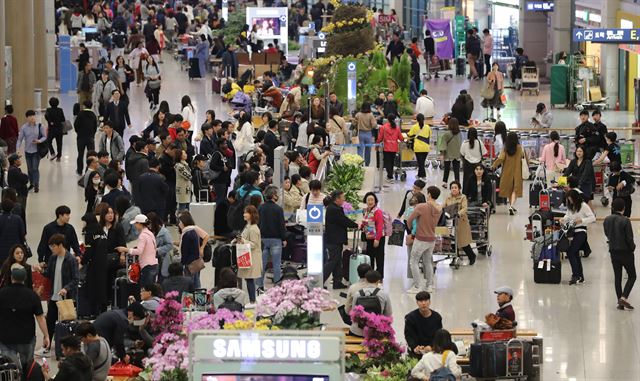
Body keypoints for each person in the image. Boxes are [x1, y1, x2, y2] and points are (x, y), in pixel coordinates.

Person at [0, 263, 49, 368]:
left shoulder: (2, 293)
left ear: (12, 277)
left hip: (6, 337)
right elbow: (40, 318)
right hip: (27, 338)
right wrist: (46, 335)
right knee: (27, 367)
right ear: (25, 278)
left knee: (9, 368)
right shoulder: (32, 295)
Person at [40, 234, 79, 356]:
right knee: (49, 323)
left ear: (60, 245)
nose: (52, 249)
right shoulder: (53, 258)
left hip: (66, 299)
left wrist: (65, 289)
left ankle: (66, 349)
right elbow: (49, 274)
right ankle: (47, 346)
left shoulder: (71, 259)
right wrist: (40, 270)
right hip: (54, 297)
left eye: (53, 246)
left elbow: (76, 279)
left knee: (66, 325)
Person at [85, 204, 125, 316]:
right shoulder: (99, 228)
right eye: (108, 213)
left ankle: (106, 301)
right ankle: (99, 302)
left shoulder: (118, 227)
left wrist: (122, 254)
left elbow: (122, 243)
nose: (110, 215)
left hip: (113, 257)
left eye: (112, 213)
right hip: (101, 258)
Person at [407, 186, 442, 293]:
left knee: (413, 261)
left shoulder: (421, 206)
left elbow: (410, 220)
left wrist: (411, 230)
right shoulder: (439, 208)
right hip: (431, 238)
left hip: (421, 238)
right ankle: (429, 285)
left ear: (429, 194)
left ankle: (417, 286)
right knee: (428, 262)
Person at [604, 198, 636, 310]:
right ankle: (624, 297)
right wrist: (633, 247)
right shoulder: (625, 221)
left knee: (618, 277)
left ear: (612, 207)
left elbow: (607, 234)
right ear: (624, 208)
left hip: (613, 251)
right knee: (632, 276)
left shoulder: (606, 220)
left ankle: (620, 302)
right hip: (626, 251)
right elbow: (629, 238)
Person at [324, 190, 358, 289]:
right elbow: (344, 220)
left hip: (334, 239)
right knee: (333, 261)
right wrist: (356, 225)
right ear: (337, 199)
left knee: (338, 261)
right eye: (342, 197)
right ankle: (320, 281)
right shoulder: (335, 209)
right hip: (334, 240)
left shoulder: (333, 207)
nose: (344, 199)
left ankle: (337, 282)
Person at [561, 190, 595, 284]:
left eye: (570, 199)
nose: (570, 201)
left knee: (571, 251)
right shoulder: (570, 206)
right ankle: (580, 277)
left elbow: (593, 217)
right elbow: (568, 215)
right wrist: (563, 219)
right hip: (572, 231)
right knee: (575, 253)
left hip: (581, 231)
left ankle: (575, 275)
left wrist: (582, 220)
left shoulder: (583, 206)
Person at [116, 214, 158, 288]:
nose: (135, 225)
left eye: (136, 223)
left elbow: (139, 251)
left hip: (146, 265)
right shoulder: (150, 233)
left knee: (146, 289)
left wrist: (125, 249)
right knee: (152, 288)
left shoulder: (143, 235)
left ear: (139, 224)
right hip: (154, 263)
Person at [257, 187, 286, 292]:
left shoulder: (261, 208)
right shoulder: (278, 209)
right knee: (276, 264)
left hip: (263, 239)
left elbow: (258, 223)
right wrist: (284, 238)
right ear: (274, 195)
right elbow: (281, 225)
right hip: (276, 239)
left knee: (262, 265)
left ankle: (259, 286)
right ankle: (277, 286)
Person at [346, 270, 391, 336]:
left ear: (366, 280)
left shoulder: (358, 294)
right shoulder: (383, 294)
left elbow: (353, 313)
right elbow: (388, 314)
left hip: (357, 331)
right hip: (376, 332)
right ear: (378, 281)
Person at [492, 132, 528, 215]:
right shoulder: (520, 148)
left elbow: (501, 158)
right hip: (518, 172)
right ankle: (511, 205)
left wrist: (494, 165)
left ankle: (511, 205)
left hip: (507, 172)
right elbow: (526, 160)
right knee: (515, 189)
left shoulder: (505, 148)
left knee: (509, 189)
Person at [444, 181, 477, 265]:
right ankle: (455, 257)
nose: (454, 189)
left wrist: (458, 213)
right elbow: (443, 207)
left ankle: (472, 256)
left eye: (455, 187)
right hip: (451, 222)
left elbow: (465, 208)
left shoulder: (463, 197)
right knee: (452, 241)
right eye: (452, 188)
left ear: (459, 189)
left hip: (461, 222)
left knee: (463, 242)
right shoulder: (448, 198)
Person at [236, 205, 262, 306]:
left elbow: (254, 244)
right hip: (247, 257)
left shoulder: (253, 229)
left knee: (250, 279)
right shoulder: (248, 226)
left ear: (251, 215)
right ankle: (252, 300)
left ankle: (252, 301)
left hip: (252, 258)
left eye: (246, 212)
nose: (244, 214)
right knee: (248, 279)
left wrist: (243, 241)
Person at [404, 291, 444, 357]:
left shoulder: (437, 317)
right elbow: (408, 336)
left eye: (426, 300)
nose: (423, 303)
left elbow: (438, 335)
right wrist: (415, 347)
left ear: (429, 301)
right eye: (421, 301)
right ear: (417, 302)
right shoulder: (410, 318)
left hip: (432, 352)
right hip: (416, 352)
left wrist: (431, 346)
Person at [16, 110, 47, 193]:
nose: (32, 117)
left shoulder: (40, 126)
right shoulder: (24, 127)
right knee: (29, 169)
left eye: (33, 115)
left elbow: (44, 137)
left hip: (36, 151)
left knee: (35, 168)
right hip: (27, 151)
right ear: (27, 118)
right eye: (30, 116)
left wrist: (39, 141)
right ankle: (32, 183)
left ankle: (36, 184)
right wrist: (17, 149)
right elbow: (19, 139)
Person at [177, 212, 209, 289]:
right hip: (196, 259)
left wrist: (202, 248)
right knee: (196, 281)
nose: (178, 224)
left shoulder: (190, 230)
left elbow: (206, 236)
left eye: (180, 221)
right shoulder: (191, 231)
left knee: (191, 282)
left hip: (191, 261)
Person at [361, 192, 387, 279]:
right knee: (370, 257)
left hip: (378, 238)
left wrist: (377, 239)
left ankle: (379, 277)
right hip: (369, 238)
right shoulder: (366, 211)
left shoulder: (377, 211)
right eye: (368, 200)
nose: (370, 201)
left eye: (372, 199)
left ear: (375, 201)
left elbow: (380, 226)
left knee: (379, 258)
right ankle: (370, 276)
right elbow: (365, 222)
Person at [377, 113, 403, 183]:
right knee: (391, 162)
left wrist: (377, 143)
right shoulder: (397, 128)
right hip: (394, 147)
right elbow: (401, 138)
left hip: (386, 147)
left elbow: (380, 137)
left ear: (387, 119)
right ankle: (390, 175)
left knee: (387, 162)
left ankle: (390, 176)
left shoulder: (383, 127)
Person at [74, 101, 98, 175]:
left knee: (80, 154)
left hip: (81, 137)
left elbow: (76, 125)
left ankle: (79, 170)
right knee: (91, 155)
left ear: (84, 106)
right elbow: (95, 127)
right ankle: (89, 170)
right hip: (90, 137)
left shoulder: (80, 114)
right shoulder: (93, 115)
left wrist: (78, 132)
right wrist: (92, 134)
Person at [439, 118, 462, 188]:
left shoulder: (447, 134)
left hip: (448, 154)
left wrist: (442, 153)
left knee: (447, 169)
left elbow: (443, 144)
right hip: (457, 154)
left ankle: (445, 182)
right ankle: (457, 183)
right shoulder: (459, 133)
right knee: (456, 170)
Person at [407, 114, 432, 180]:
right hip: (426, 147)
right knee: (421, 162)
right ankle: (419, 175)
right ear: (424, 119)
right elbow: (429, 135)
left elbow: (409, 135)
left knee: (420, 163)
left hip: (418, 148)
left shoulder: (414, 127)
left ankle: (423, 176)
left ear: (416, 120)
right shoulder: (427, 127)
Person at [44, 97, 66, 162]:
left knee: (48, 141)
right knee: (59, 143)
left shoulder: (48, 110)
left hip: (52, 129)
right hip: (59, 129)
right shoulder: (60, 110)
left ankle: (53, 153)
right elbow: (63, 119)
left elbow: (46, 117)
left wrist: (51, 121)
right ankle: (59, 157)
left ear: (50, 103)